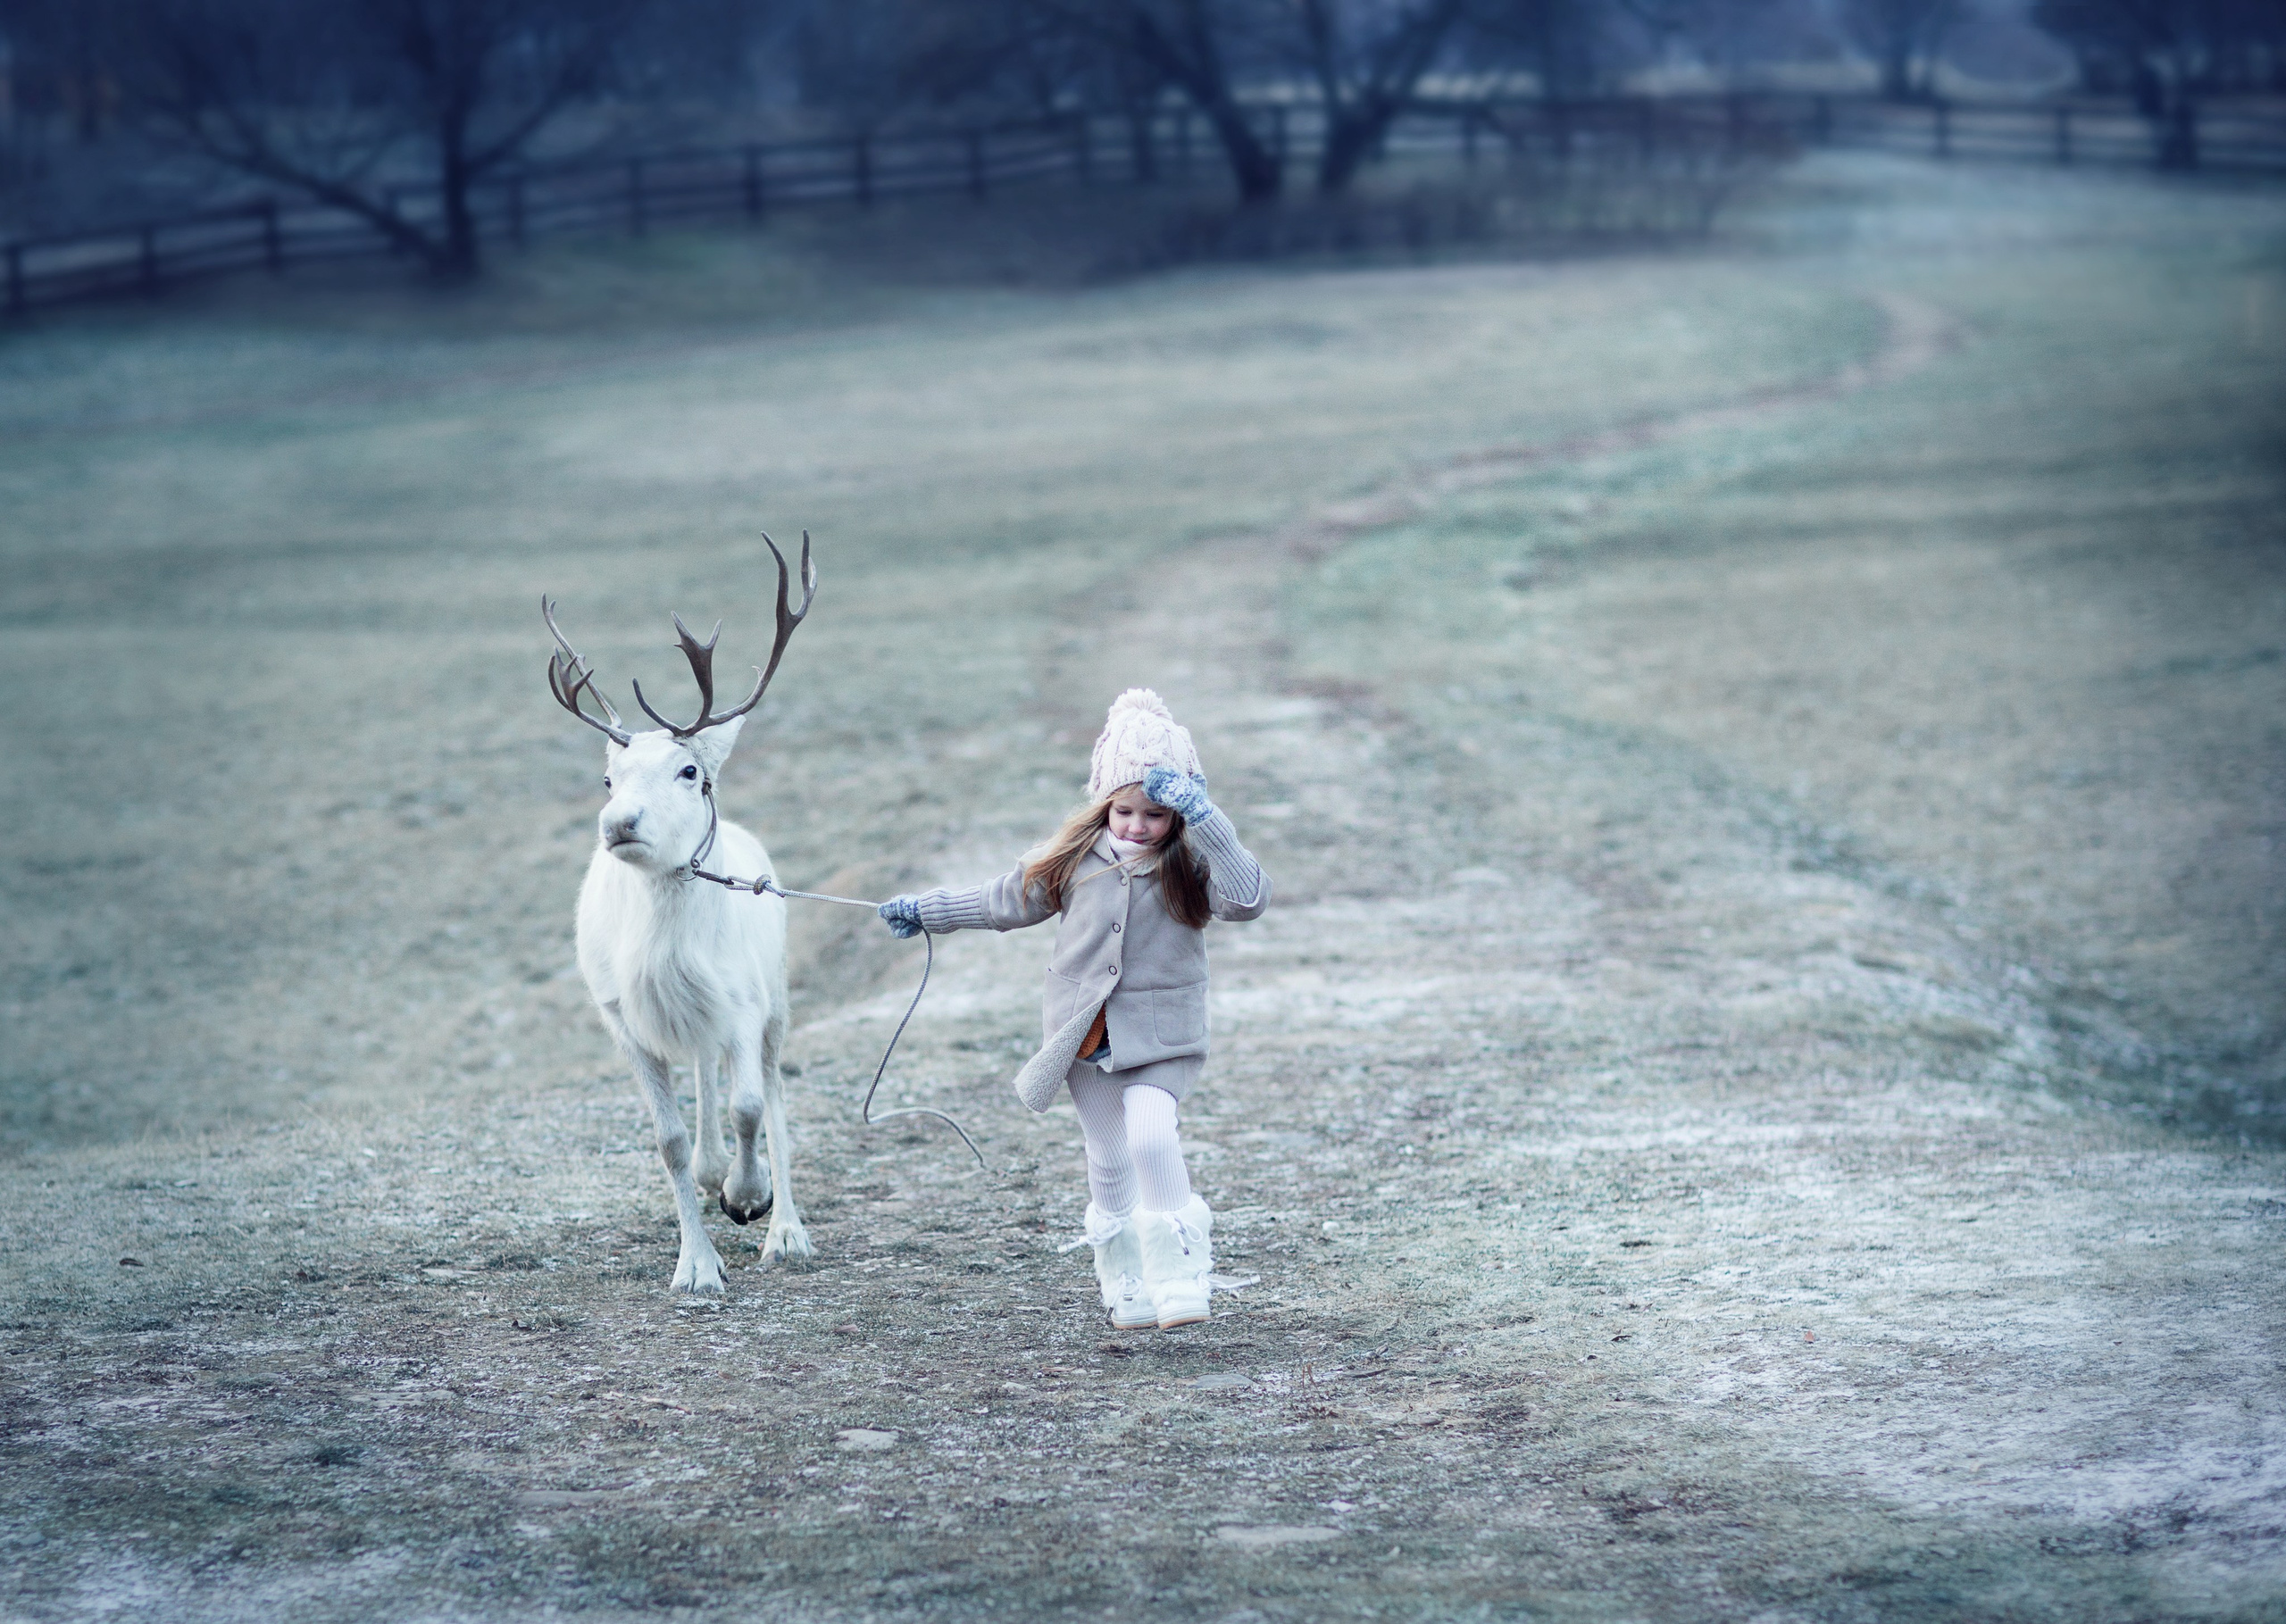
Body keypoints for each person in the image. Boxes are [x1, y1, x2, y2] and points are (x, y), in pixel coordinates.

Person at [878, 688, 1270, 1331]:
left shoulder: (1194, 862)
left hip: (1163, 1036)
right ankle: (1125, 1281)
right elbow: (1002, 901)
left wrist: (1211, 821)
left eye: (1156, 813)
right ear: (1103, 804)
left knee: (1150, 1133)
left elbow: (1250, 898)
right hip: (1083, 1035)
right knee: (1110, 1155)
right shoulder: (1075, 861)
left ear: (1179, 812)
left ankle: (1179, 1273)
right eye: (1123, 811)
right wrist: (925, 910)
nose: (1137, 825)